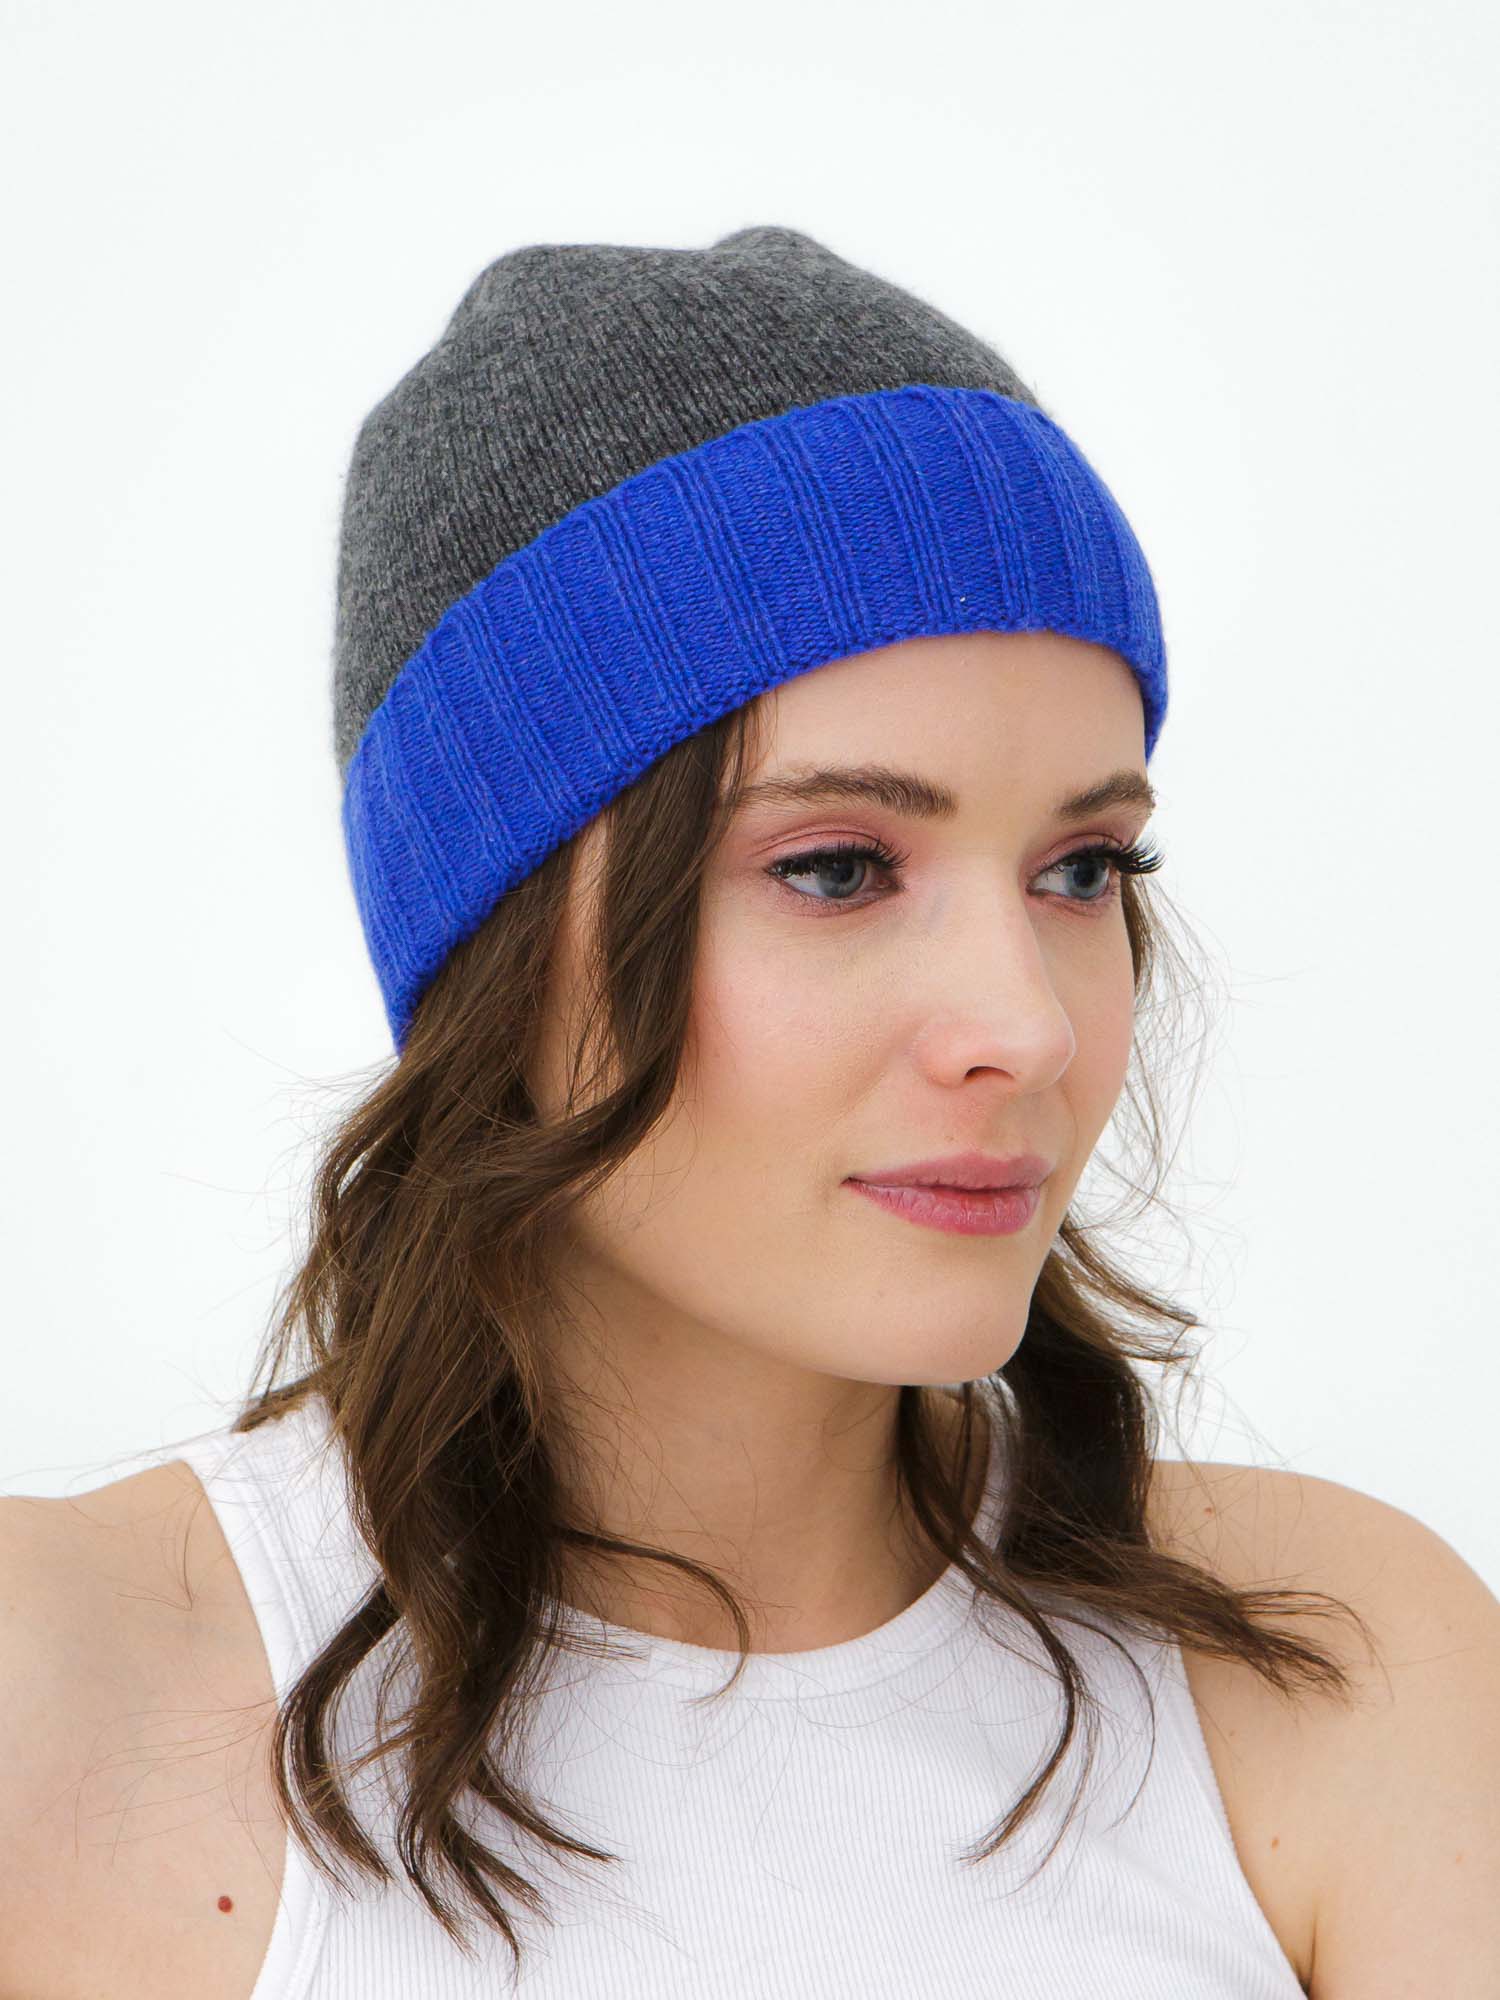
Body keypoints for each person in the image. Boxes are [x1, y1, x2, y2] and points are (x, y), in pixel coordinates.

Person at [3, 225, 1497, 2000]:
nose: (1026, 1027)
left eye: (1085, 867)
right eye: (840, 867)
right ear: (495, 939)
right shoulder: (65, 1699)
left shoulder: (1334, 1672)